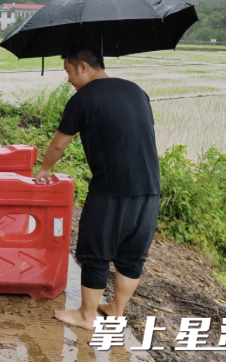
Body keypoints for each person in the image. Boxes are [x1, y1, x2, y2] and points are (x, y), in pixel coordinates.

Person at [34, 43, 160, 330]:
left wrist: (44, 169)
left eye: (68, 71)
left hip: (112, 189)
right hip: (151, 188)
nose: (68, 79)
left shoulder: (82, 99)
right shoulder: (136, 91)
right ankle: (115, 310)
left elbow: (59, 143)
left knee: (95, 251)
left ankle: (87, 315)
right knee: (132, 256)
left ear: (83, 66)